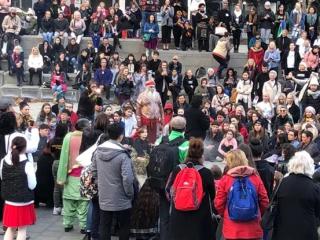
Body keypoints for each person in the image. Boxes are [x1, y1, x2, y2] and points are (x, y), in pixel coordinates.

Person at [91, 123, 135, 240]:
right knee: (124, 226)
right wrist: (130, 194)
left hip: (104, 195)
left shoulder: (98, 152)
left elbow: (93, 172)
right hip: (122, 197)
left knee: (104, 225)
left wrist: (101, 186)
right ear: (121, 136)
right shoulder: (123, 155)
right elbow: (128, 178)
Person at [167, 138, 216, 240]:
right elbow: (213, 195)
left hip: (178, 216)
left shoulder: (178, 169)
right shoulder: (206, 172)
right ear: (202, 153)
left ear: (188, 152)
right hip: (200, 219)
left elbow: (168, 189)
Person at [214, 149, 269, 240]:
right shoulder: (255, 178)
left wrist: (227, 214)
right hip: (253, 230)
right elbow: (265, 201)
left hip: (231, 231)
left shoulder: (226, 179)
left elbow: (218, 204)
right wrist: (256, 213)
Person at [272, 151, 320, 240]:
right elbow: (317, 212)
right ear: (309, 166)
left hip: (282, 231)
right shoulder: (314, 188)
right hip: (306, 232)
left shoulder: (283, 183)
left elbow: (275, 204)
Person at [57, 119, 90, 233]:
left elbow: (63, 157)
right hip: (85, 175)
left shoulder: (68, 137)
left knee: (68, 201)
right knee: (83, 202)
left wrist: (61, 175)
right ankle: (83, 226)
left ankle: (67, 224)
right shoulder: (90, 137)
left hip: (70, 173)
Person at [0, 137, 36, 240]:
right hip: (23, 201)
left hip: (9, 200)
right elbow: (32, 185)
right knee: (21, 229)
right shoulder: (27, 164)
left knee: (10, 228)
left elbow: (3, 178)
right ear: (24, 148)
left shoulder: (3, 161)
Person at [136, 79, 164, 143]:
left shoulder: (157, 95)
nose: (152, 88)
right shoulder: (142, 95)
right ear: (147, 87)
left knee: (154, 136)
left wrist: (162, 118)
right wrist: (139, 120)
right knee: (144, 135)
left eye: (153, 87)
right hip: (145, 119)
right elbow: (138, 108)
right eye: (150, 87)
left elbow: (161, 107)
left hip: (155, 119)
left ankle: (152, 146)